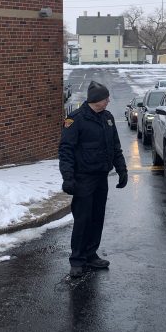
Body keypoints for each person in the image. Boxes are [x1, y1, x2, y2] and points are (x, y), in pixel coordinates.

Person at [58, 80, 128, 277]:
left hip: (100, 177)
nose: (108, 101)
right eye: (105, 98)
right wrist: (68, 177)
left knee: (97, 217)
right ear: (96, 100)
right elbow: (66, 150)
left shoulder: (107, 118)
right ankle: (77, 260)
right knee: (83, 219)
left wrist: (122, 169)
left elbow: (115, 146)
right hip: (82, 179)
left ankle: (91, 254)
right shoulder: (76, 119)